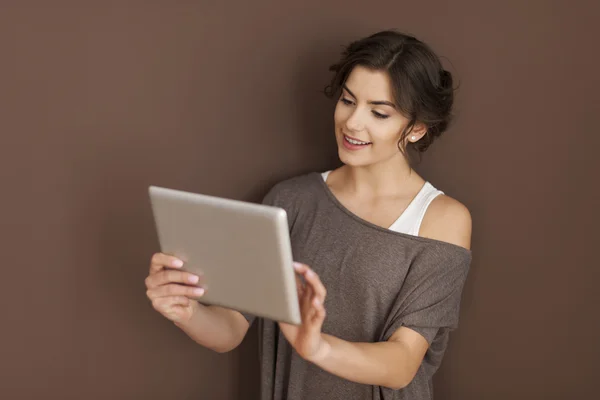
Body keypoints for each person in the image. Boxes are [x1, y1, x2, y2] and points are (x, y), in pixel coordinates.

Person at [144, 30, 472, 400]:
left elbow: (402, 363)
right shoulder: (290, 201)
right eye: (348, 100)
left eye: (379, 112)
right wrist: (185, 310)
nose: (352, 123)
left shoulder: (443, 219)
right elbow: (231, 328)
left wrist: (317, 347)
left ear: (416, 129)